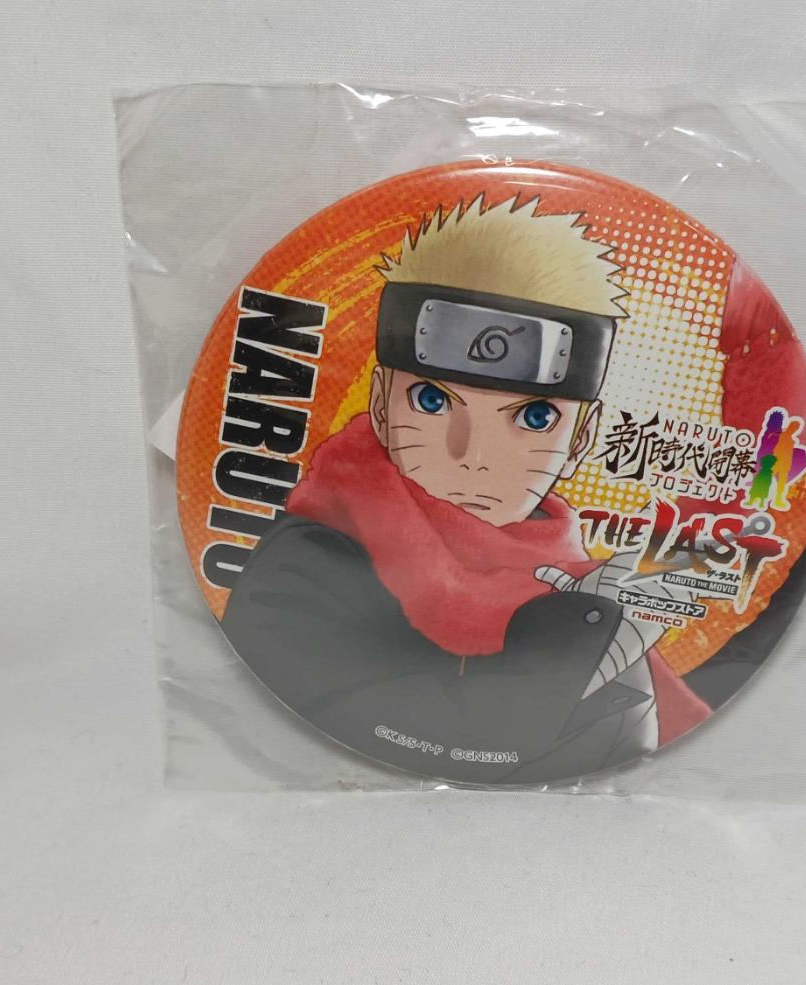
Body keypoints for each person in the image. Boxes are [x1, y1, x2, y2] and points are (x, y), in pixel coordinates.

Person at [221, 194, 710, 784]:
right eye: (432, 401)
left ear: (581, 439)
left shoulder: (578, 582)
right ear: (381, 406)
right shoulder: (307, 566)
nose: (474, 456)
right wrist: (585, 633)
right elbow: (372, 726)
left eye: (534, 418)